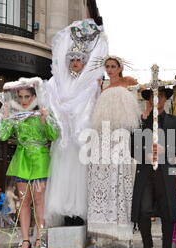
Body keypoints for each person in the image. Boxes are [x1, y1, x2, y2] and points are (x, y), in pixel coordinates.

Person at [44, 18, 108, 227]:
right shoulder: (57, 83)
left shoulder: (90, 85)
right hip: (64, 140)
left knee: (79, 176)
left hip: (81, 139)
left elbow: (92, 108)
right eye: (72, 60)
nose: (75, 63)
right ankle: (64, 213)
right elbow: (51, 102)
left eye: (79, 60)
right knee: (63, 176)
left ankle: (78, 213)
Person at [0, 77, 60, 248]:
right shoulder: (16, 116)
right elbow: (2, 136)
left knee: (39, 202)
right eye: (20, 97)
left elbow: (54, 136)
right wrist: (6, 117)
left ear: (35, 96)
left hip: (40, 160)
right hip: (22, 161)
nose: (24, 101)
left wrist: (46, 119)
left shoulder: (43, 113)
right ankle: (25, 240)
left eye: (27, 97)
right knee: (23, 203)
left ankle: (40, 238)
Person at [86, 55, 140, 248]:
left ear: (120, 68)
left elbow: (134, 114)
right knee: (106, 179)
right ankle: (106, 227)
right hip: (103, 138)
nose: (109, 70)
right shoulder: (102, 89)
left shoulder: (129, 83)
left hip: (121, 137)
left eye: (113, 66)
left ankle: (122, 226)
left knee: (120, 177)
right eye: (107, 66)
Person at [131, 86, 176, 248]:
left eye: (160, 96)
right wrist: (144, 153)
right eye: (153, 96)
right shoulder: (141, 121)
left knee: (168, 215)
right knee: (143, 212)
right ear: (148, 100)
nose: (156, 99)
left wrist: (165, 150)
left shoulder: (175, 121)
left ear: (165, 99)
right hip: (145, 173)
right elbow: (132, 148)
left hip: (165, 174)